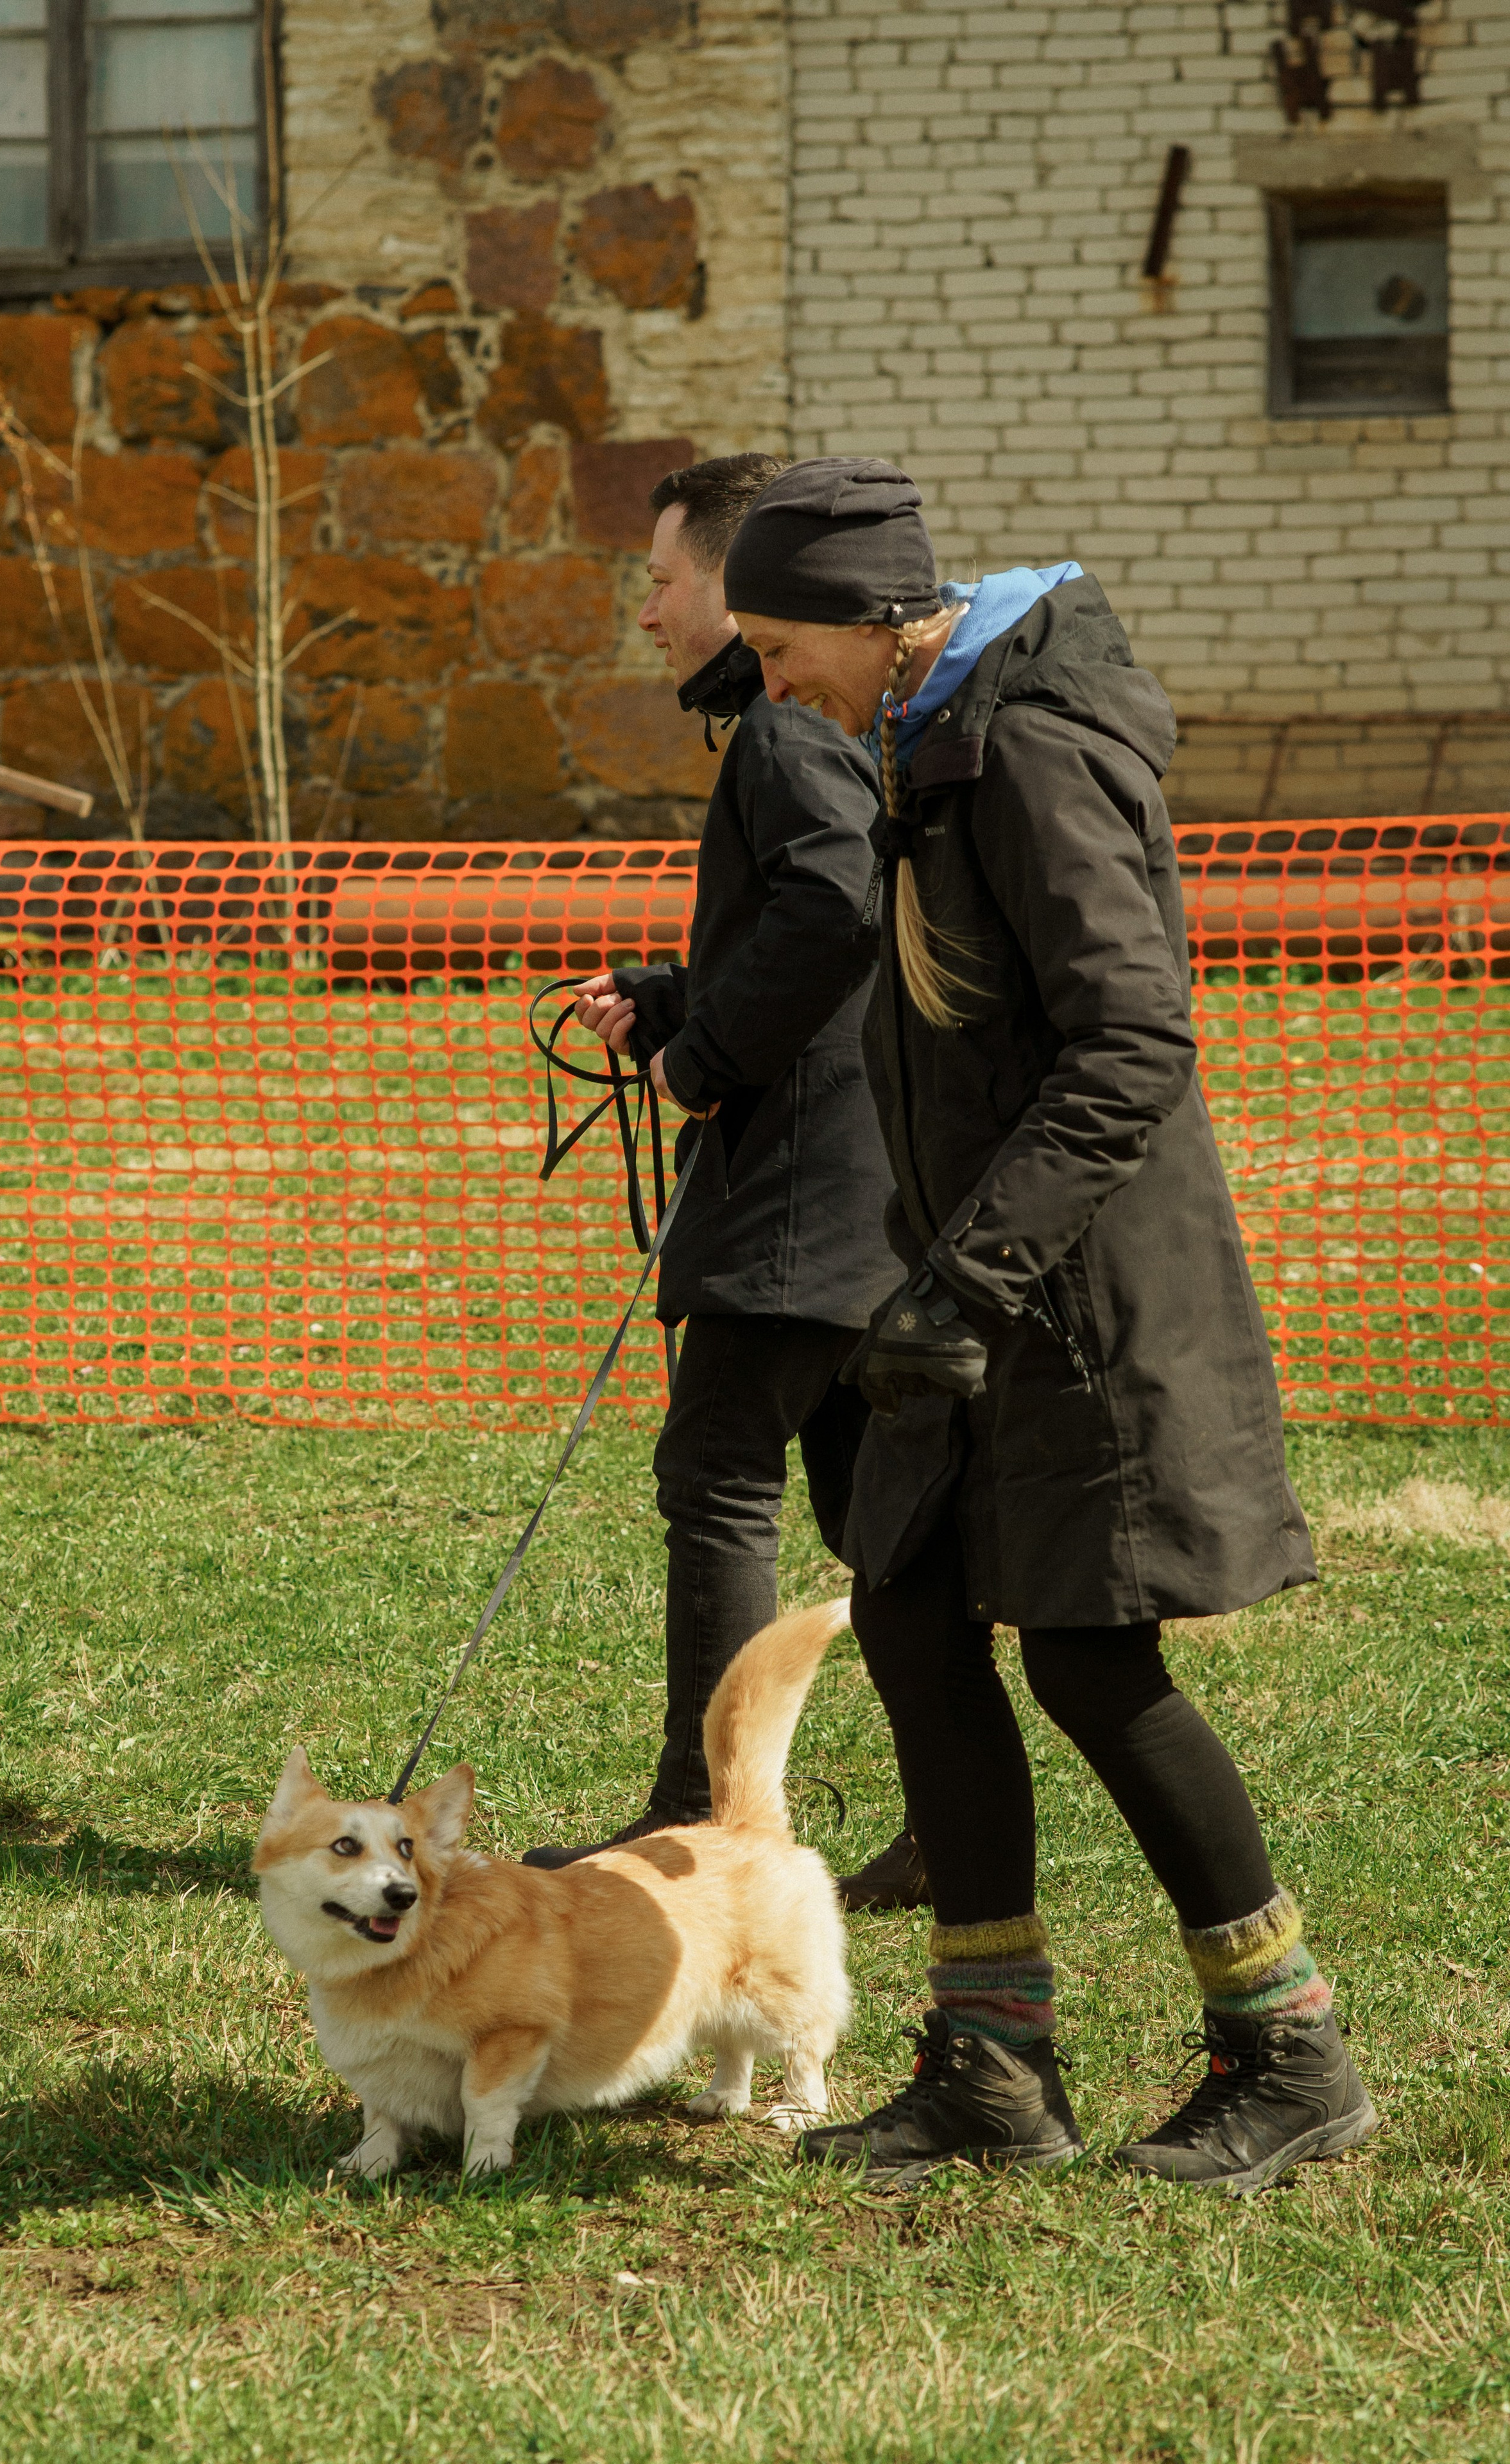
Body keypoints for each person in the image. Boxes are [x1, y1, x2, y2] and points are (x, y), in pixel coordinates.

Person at [719, 456, 1378, 2192]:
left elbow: (1131, 1044)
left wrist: (968, 1279)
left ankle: (1289, 2051)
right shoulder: (925, 743)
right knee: (914, 1613)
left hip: (1080, 1297)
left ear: (879, 622)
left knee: (1093, 1659)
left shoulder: (1024, 743)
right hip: (967, 1294)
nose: (767, 682)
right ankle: (994, 2074)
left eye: (783, 646)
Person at [522, 454, 918, 1899]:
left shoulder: (777, 729)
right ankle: (950, 1820)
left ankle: (697, 1822)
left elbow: (827, 917)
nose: (646, 612)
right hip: (871, 1189)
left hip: (803, 1199)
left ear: (738, 590)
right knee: (885, 1521)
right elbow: (815, 928)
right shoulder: (824, 724)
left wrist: (698, 1063)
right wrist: (678, 995)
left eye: (660, 579)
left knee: (718, 1477)